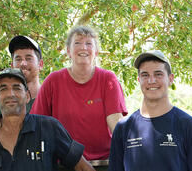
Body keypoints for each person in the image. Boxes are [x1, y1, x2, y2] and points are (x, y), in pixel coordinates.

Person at [32, 25, 127, 160]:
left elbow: (116, 125)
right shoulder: (53, 81)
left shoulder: (108, 79)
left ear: (96, 52)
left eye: (89, 43)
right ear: (68, 51)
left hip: (103, 162)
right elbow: (38, 125)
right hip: (63, 166)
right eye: (77, 43)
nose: (83, 48)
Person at [0, 34, 43, 121]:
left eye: (28, 58)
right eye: (18, 59)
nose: (23, 63)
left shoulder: (51, 100)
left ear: (40, 64)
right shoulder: (1, 104)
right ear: (12, 65)